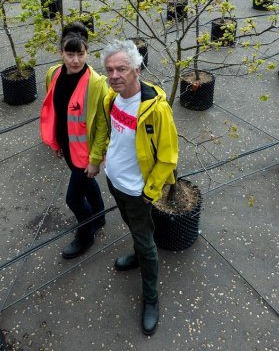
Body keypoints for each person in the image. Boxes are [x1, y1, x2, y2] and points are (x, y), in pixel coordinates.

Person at [101, 39, 178, 336]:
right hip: (114, 180)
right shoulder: (112, 98)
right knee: (134, 230)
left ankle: (151, 298)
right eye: (109, 70)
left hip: (137, 192)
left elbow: (169, 157)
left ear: (136, 68)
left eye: (121, 69)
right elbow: (112, 134)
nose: (114, 75)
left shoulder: (156, 110)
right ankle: (136, 252)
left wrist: (150, 192)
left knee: (146, 243)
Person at [40, 22, 109, 259]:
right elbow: (55, 112)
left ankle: (86, 235)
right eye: (70, 54)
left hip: (85, 153)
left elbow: (101, 124)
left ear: (87, 52)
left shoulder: (96, 83)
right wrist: (56, 143)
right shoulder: (54, 74)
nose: (76, 60)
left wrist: (96, 159)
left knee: (73, 198)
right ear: (61, 54)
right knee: (87, 185)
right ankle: (98, 216)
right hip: (67, 147)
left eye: (80, 54)